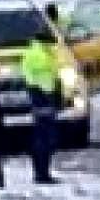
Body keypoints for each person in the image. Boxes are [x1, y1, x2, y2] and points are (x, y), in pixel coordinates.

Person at [19, 24, 62, 184]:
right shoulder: (41, 54)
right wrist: (54, 94)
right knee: (46, 138)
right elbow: (45, 78)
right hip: (43, 98)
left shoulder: (37, 52)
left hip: (41, 97)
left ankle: (42, 172)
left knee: (44, 137)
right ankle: (42, 173)